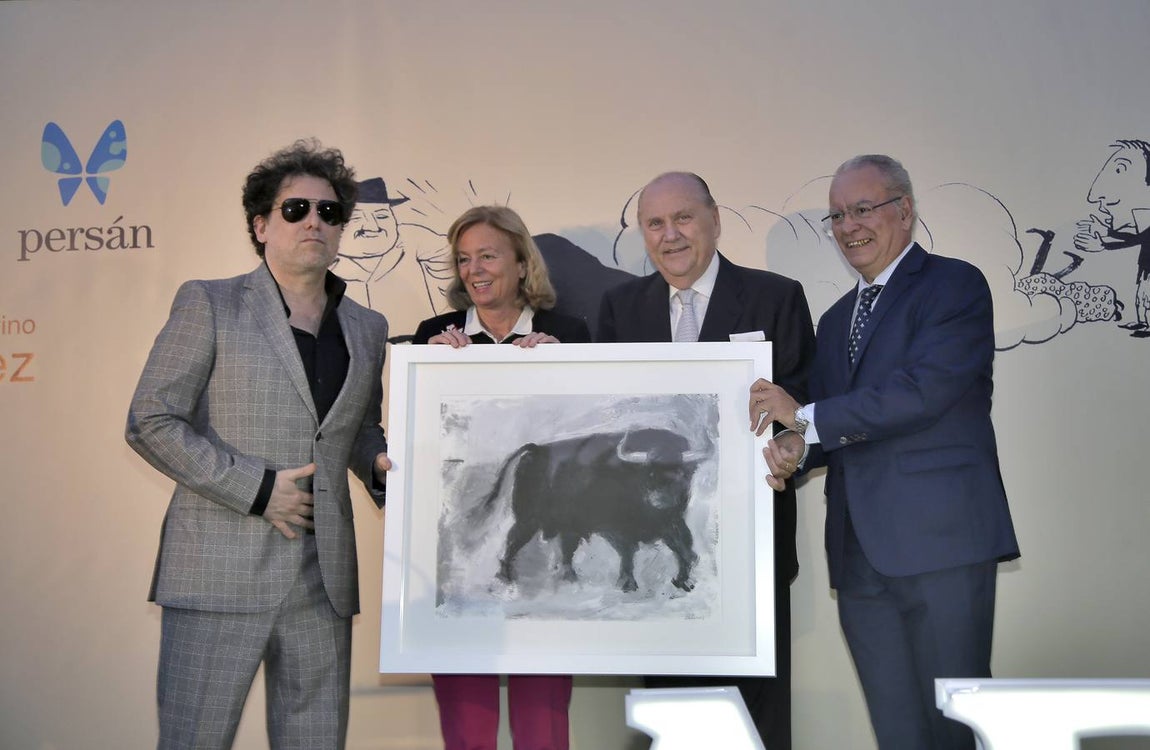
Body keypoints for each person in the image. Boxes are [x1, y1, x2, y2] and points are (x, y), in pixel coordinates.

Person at [125, 139, 392, 750]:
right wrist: (259, 490)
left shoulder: (368, 327)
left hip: (323, 582)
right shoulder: (209, 302)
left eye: (329, 212)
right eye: (296, 209)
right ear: (261, 225)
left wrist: (379, 465)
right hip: (219, 573)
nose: (314, 222)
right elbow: (151, 419)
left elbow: (356, 429)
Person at [749, 154, 1020, 749]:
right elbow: (826, 420)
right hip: (858, 556)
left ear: (905, 209)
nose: (849, 226)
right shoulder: (835, 318)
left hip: (942, 544)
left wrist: (804, 417)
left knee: (954, 726)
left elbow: (920, 394)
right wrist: (794, 448)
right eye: (837, 215)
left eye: (863, 208)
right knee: (895, 731)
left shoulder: (955, 285)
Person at [597, 171, 816, 750]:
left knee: (757, 723)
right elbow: (604, 414)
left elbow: (807, 406)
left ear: (715, 220)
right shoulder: (620, 309)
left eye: (683, 218)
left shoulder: (776, 297)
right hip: (656, 545)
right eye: (654, 223)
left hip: (751, 547)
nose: (669, 235)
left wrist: (794, 444)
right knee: (671, 717)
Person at [412, 205, 590, 750]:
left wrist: (570, 371)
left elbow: (588, 437)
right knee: (467, 721)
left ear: (521, 262)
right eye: (464, 259)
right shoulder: (432, 337)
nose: (474, 270)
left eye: (487, 255)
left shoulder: (569, 334)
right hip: (459, 543)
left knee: (543, 721)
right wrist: (427, 373)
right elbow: (414, 446)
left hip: (541, 536)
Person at [1074, 139, 1150, 336]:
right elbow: (1135, 237)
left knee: (1146, 296)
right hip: (1145, 269)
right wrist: (1107, 233)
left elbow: (1134, 240)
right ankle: (1143, 322)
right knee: (1141, 296)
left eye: (1119, 170)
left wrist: (1104, 244)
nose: (1094, 197)